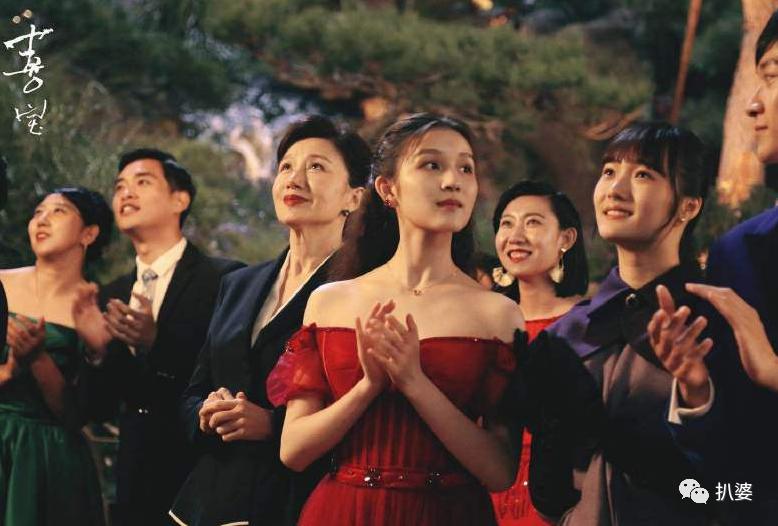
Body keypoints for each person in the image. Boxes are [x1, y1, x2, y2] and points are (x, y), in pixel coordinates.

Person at [266, 113, 525, 525]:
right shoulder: (330, 302)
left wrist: (414, 383)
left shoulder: (497, 313)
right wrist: (367, 387)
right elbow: (293, 451)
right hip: (342, 513)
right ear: (388, 189)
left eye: (466, 168)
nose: (452, 181)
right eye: (431, 165)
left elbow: (500, 472)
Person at [170, 116, 371, 526]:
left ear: (354, 196)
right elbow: (192, 391)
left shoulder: (361, 289)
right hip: (205, 504)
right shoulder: (239, 283)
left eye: (316, 167)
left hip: (293, 502)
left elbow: (368, 416)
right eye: (286, 167)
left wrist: (273, 426)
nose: (295, 179)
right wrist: (205, 412)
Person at [531, 122, 715, 525]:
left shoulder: (715, 323)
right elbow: (547, 491)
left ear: (689, 206)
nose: (615, 189)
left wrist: (697, 395)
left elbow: (741, 479)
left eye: (644, 174)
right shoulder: (564, 336)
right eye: (609, 171)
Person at [72, 149, 244, 526]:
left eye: (142, 181)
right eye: (119, 186)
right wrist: (97, 353)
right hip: (132, 481)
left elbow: (230, 378)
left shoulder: (226, 279)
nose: (126, 193)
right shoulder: (110, 295)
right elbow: (97, 408)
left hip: (196, 476)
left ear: (179, 200)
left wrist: (157, 344)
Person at [0, 187, 112, 525]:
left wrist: (39, 359)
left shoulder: (96, 310)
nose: (42, 219)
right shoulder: (2, 283)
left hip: (48, 458)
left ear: (88, 233)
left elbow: (75, 414)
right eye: (37, 212)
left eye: (58, 211)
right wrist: (11, 367)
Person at [489, 181, 588, 526]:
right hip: (485, 494)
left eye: (532, 222)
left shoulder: (588, 324)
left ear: (566, 239)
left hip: (561, 499)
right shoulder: (485, 322)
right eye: (506, 223)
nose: (515, 236)